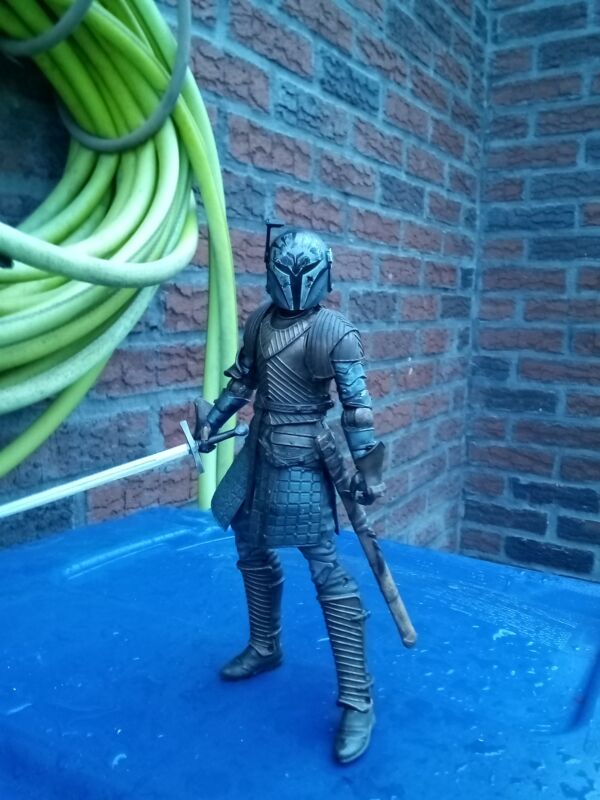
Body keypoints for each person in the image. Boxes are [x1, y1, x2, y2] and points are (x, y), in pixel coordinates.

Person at [195, 226, 385, 764]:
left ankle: (357, 698)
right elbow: (243, 381)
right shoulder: (259, 320)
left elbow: (357, 410)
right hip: (259, 447)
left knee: (325, 567)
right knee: (249, 544)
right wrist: (212, 422)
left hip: (304, 454)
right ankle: (265, 645)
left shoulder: (335, 332)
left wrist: (369, 471)